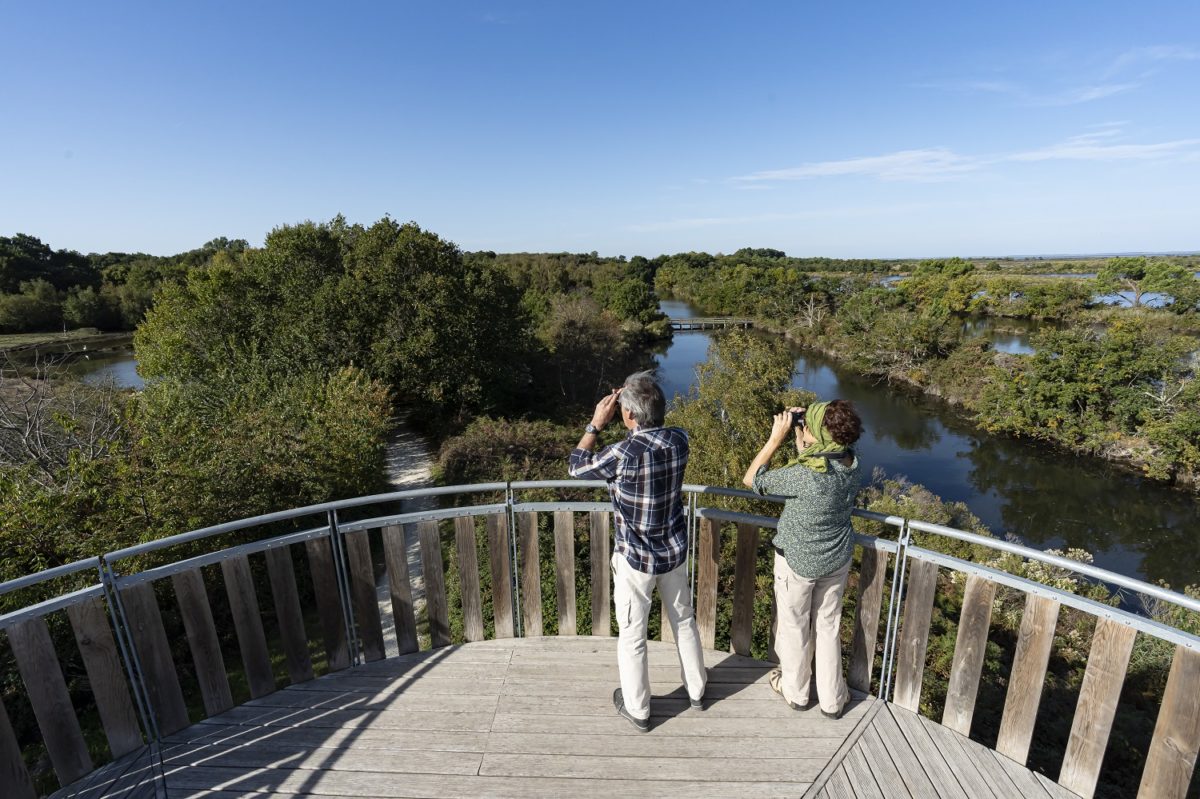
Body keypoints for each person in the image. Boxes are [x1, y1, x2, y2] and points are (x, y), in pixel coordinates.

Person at [568, 370, 706, 732]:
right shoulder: (679, 439)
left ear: (628, 415)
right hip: (673, 550)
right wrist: (633, 396)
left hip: (635, 559)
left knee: (633, 634)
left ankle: (639, 710)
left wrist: (596, 423)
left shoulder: (622, 453)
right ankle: (697, 691)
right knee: (684, 621)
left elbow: (576, 467)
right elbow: (654, 428)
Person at [742, 399, 863, 719]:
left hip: (797, 562)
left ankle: (796, 692)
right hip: (836, 559)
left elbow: (752, 480)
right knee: (827, 628)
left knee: (795, 627)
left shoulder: (804, 475)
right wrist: (804, 438)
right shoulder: (851, 462)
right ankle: (833, 700)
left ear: (820, 436)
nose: (803, 427)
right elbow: (819, 465)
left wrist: (776, 437)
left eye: (808, 424)